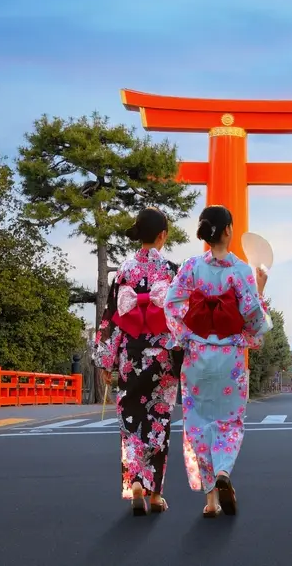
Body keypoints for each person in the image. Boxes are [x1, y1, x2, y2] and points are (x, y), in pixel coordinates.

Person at [164, 204, 272, 518]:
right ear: (228, 231)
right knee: (229, 423)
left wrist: (185, 334)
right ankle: (223, 469)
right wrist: (260, 290)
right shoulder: (241, 270)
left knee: (197, 425)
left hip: (198, 356)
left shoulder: (191, 267)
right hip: (231, 358)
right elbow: (253, 316)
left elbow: (171, 303)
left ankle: (211, 500)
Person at [93, 207, 183, 516]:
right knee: (158, 419)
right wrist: (183, 355)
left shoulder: (124, 271)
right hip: (161, 355)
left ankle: (134, 482)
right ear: (162, 235)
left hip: (130, 353)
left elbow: (112, 319)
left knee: (131, 421)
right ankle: (155, 493)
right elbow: (179, 318)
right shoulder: (172, 270)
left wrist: (107, 361)